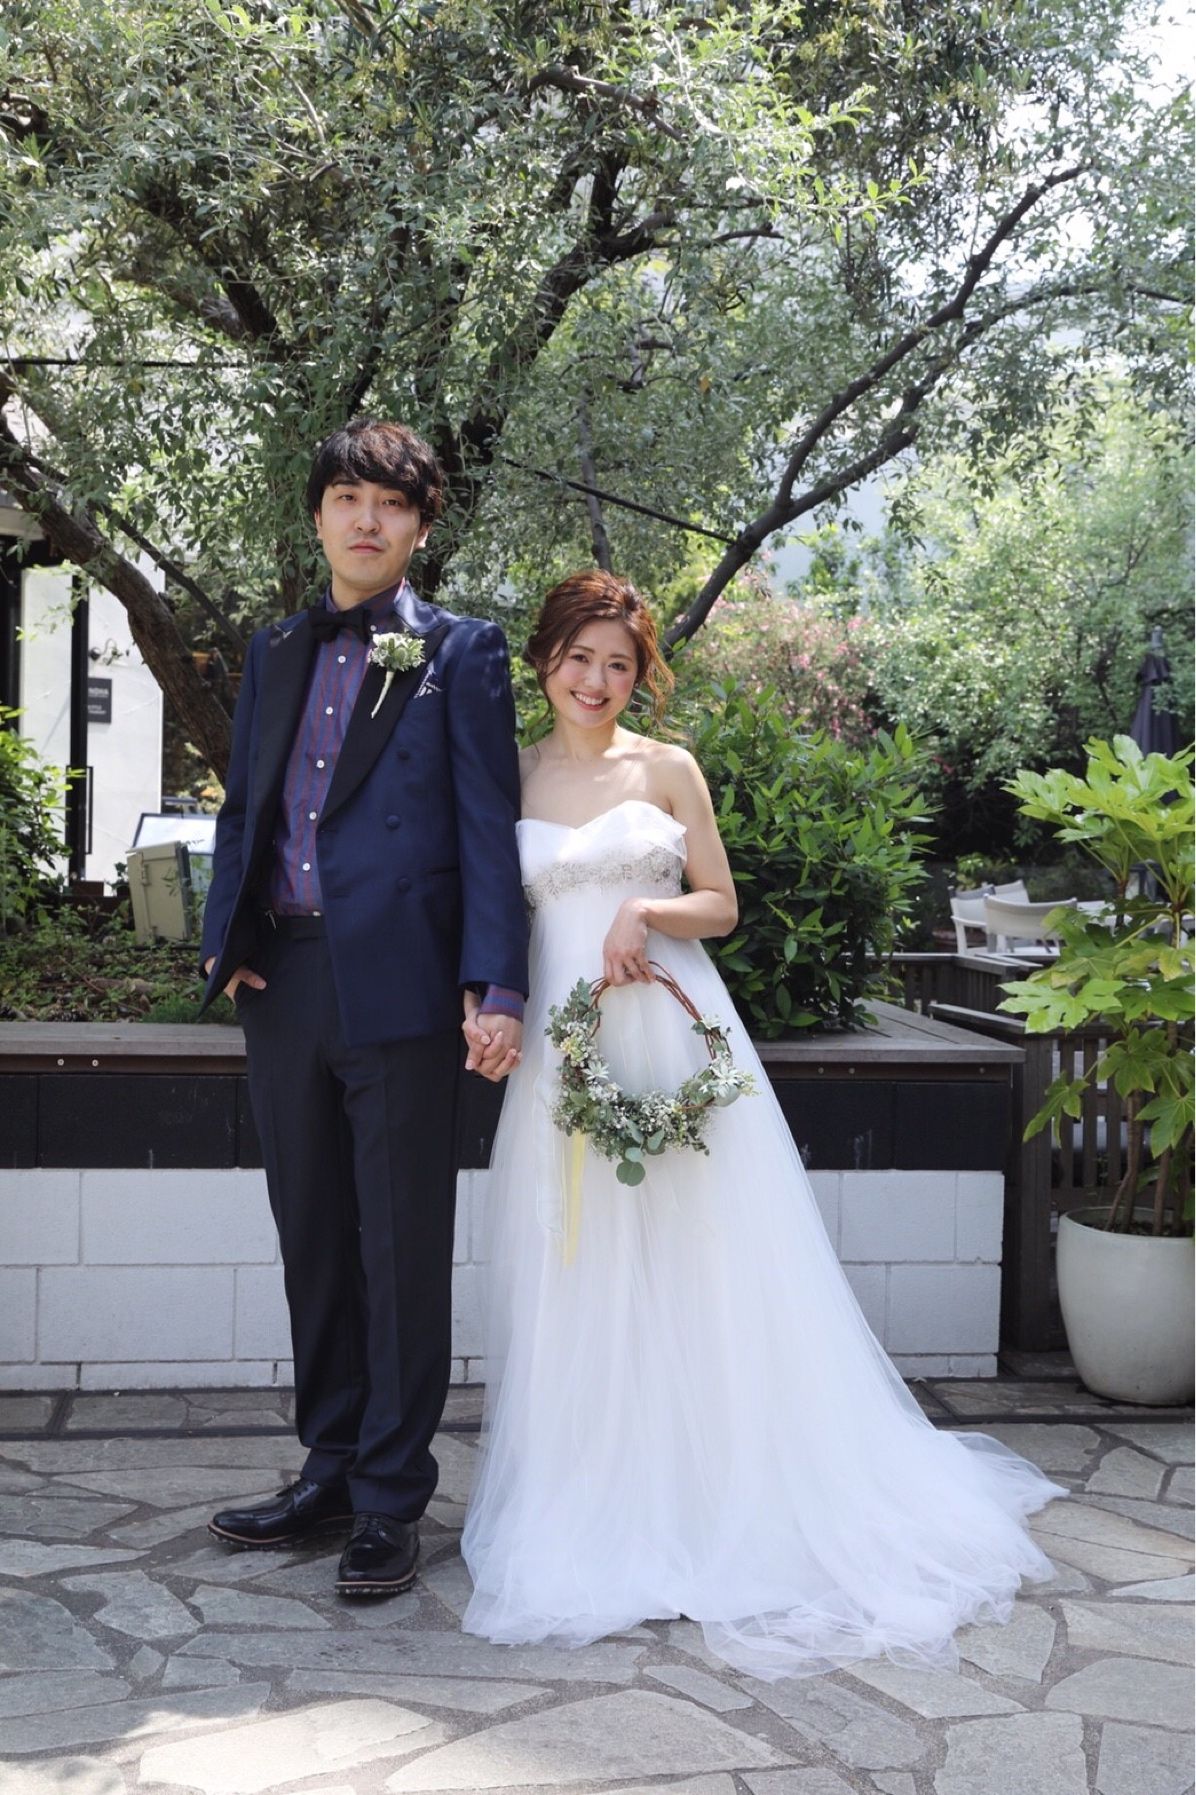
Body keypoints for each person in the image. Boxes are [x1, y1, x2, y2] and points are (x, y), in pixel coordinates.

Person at [460, 569, 1064, 1677]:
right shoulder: (510, 773)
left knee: (706, 1261)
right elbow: (485, 911)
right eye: (579, 657)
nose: (595, 680)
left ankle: (727, 1490)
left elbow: (723, 904)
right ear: (544, 658)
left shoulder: (668, 767)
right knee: (579, 1265)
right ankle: (598, 1494)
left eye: (618, 664)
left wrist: (644, 908)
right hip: (562, 1044)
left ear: (640, 674)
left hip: (671, 1030)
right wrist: (482, 1004)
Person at [200, 418, 528, 1597]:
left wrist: (497, 983)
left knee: (398, 1246)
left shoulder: (460, 651)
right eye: (345, 497)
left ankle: (391, 1496)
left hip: (403, 984)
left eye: (388, 502)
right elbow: (245, 805)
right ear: (319, 515)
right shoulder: (276, 645)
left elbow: (488, 826)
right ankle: (329, 1468)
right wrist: (226, 939)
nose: (364, 518)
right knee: (314, 1239)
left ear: (420, 526)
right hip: (284, 978)